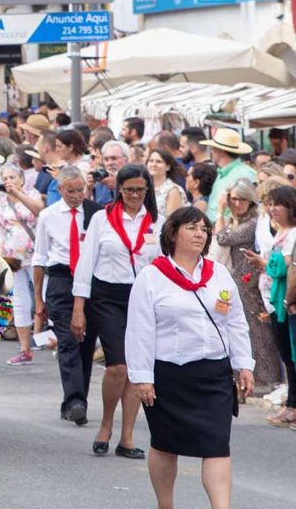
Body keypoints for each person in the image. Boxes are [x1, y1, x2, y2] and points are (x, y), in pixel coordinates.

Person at [126, 206, 255, 509]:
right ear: (173, 233)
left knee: (216, 445)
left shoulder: (218, 274)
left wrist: (243, 365)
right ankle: (165, 504)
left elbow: (235, 322)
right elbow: (139, 330)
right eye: (192, 228)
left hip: (213, 375)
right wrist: (142, 376)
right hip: (170, 375)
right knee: (165, 443)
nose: (200, 234)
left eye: (204, 229)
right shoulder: (152, 277)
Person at [71, 165, 162, 460]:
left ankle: (127, 436)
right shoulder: (102, 218)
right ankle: (106, 425)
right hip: (107, 296)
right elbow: (86, 263)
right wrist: (78, 308)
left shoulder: (156, 223)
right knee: (118, 366)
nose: (135, 195)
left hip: (143, 298)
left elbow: (163, 265)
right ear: (119, 190)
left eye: (140, 190)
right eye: (129, 189)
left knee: (137, 370)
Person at [33, 165, 102, 425]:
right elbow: (39, 258)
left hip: (91, 280)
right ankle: (75, 400)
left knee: (85, 341)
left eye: (80, 190)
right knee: (67, 341)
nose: (76, 196)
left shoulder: (96, 214)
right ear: (60, 190)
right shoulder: (48, 216)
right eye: (70, 191)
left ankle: (75, 400)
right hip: (61, 279)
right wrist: (39, 298)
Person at [214, 179, 281, 391]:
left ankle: (266, 378)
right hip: (240, 280)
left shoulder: (251, 224)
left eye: (241, 199)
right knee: (249, 330)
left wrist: (219, 212)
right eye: (232, 199)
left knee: (257, 330)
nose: (236, 203)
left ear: (250, 201)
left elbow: (223, 238)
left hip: (249, 282)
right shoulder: (239, 220)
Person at [0, 163, 43, 364]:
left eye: (13, 177)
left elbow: (39, 210)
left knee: (46, 297)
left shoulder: (33, 193)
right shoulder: (1, 202)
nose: (9, 182)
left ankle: (56, 339)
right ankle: (25, 349)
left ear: (22, 179)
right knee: (21, 302)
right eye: (5, 178)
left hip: (35, 256)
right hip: (12, 259)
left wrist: (18, 193)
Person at [244, 185, 296, 426]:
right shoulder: (281, 233)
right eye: (270, 204)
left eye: (278, 204)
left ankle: (293, 405)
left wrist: (288, 300)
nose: (272, 209)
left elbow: (287, 269)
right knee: (287, 355)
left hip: (286, 304)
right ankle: (291, 404)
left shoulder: (293, 234)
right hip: (275, 302)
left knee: (291, 355)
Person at [200, 129, 256, 223]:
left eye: (213, 149)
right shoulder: (223, 172)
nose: (211, 152)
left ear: (221, 151)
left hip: (231, 230)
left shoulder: (245, 174)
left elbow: (251, 206)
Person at [146, 147, 187, 219]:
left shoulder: (173, 190)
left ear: (168, 167)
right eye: (151, 161)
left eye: (158, 161)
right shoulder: (145, 187)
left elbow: (172, 221)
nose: (153, 164)